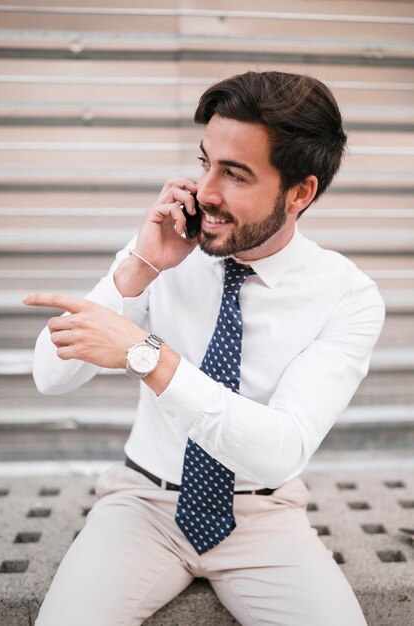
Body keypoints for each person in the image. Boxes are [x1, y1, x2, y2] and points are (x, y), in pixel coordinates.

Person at [25, 71, 385, 626]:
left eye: (235, 174)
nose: (205, 192)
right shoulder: (168, 245)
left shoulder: (348, 297)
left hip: (265, 515)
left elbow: (280, 450)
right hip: (140, 506)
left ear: (300, 193)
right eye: (205, 163)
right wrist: (138, 269)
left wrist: (146, 355)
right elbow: (50, 378)